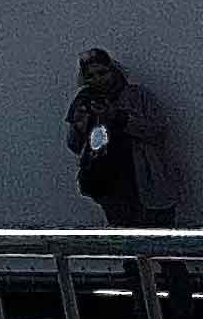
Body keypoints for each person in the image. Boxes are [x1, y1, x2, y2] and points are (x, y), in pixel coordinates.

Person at [66, 47, 177, 228]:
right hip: (107, 183)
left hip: (144, 181)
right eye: (90, 76)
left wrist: (120, 118)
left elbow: (158, 131)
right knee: (124, 241)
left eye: (102, 73)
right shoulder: (83, 100)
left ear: (113, 71)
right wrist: (79, 126)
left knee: (156, 240)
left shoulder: (138, 96)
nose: (97, 80)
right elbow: (74, 145)